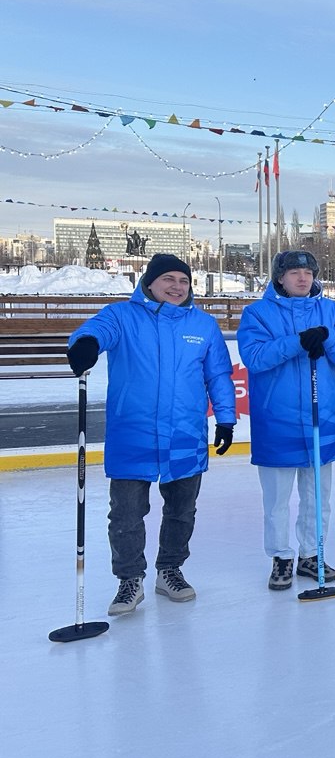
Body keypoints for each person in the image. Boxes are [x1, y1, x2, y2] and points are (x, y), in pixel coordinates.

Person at [66, 254, 236, 616]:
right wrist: (85, 345)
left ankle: (170, 570)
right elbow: (94, 330)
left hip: (185, 434)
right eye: (169, 279)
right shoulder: (122, 316)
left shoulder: (203, 325)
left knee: (182, 510)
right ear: (151, 281)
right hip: (133, 433)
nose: (177, 287)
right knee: (126, 513)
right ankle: (129, 579)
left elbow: (218, 375)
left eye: (183, 281)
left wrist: (225, 419)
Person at [237, 250, 335, 591]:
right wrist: (297, 342)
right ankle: (281, 557)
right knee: (276, 499)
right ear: (280, 278)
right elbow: (255, 358)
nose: (302, 278)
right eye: (294, 272)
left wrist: (328, 338)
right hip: (278, 421)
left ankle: (311, 553)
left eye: (307, 271)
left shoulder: (331, 311)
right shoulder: (257, 314)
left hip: (322, 417)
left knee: (318, 496)